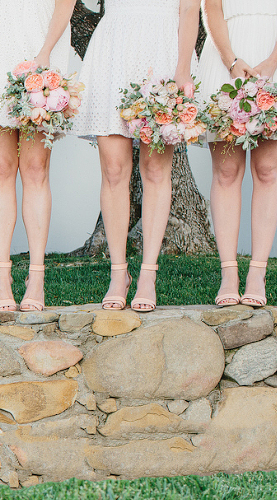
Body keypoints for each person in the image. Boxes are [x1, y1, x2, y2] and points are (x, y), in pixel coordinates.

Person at [72, 0, 199, 313]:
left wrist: (182, 69)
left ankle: (148, 275)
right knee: (113, 169)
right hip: (113, 46)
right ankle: (118, 274)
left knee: (155, 170)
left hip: (163, 46)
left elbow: (189, 8)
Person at [201, 0, 277, 307]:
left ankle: (257, 273)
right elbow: (211, 6)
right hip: (227, 53)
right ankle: (229, 273)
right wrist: (230, 60)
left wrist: (272, 61)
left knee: (268, 170)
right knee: (226, 172)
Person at [0, 0, 75, 312]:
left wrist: (45, 52)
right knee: (1, 167)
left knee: (35, 168)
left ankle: (36, 276)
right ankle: (2, 275)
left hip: (39, 38)